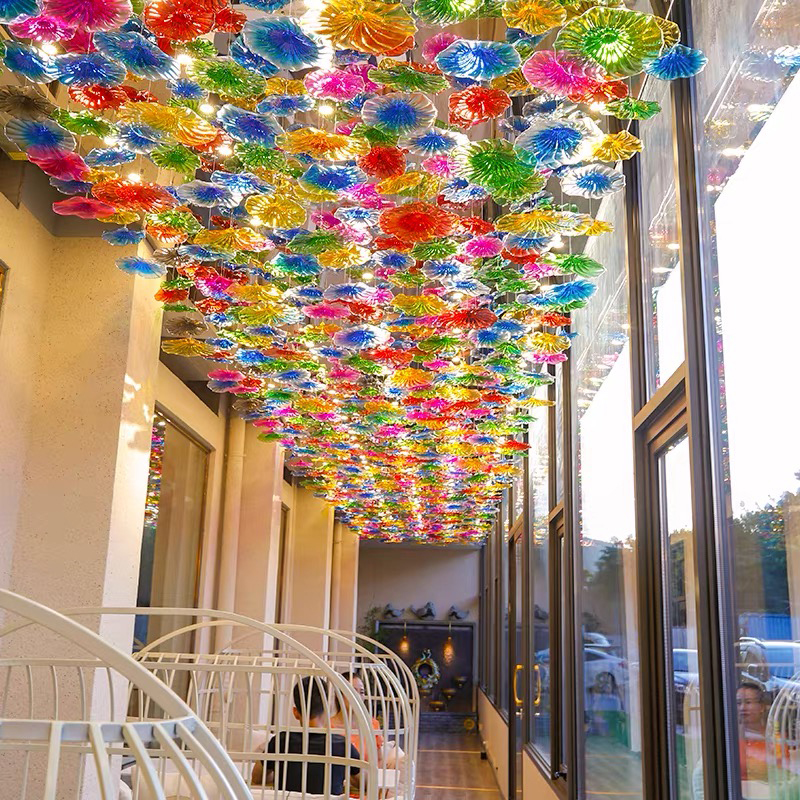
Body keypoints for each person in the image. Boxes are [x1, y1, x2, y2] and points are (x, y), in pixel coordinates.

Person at [252, 676, 361, 793]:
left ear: (295, 712)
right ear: (327, 708)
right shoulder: (342, 745)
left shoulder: (281, 741)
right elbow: (365, 783)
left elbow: (257, 778)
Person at [737, 681, 769, 783]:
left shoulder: (773, 738)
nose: (742, 708)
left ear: (762, 707)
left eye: (748, 702)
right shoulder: (728, 737)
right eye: (738, 703)